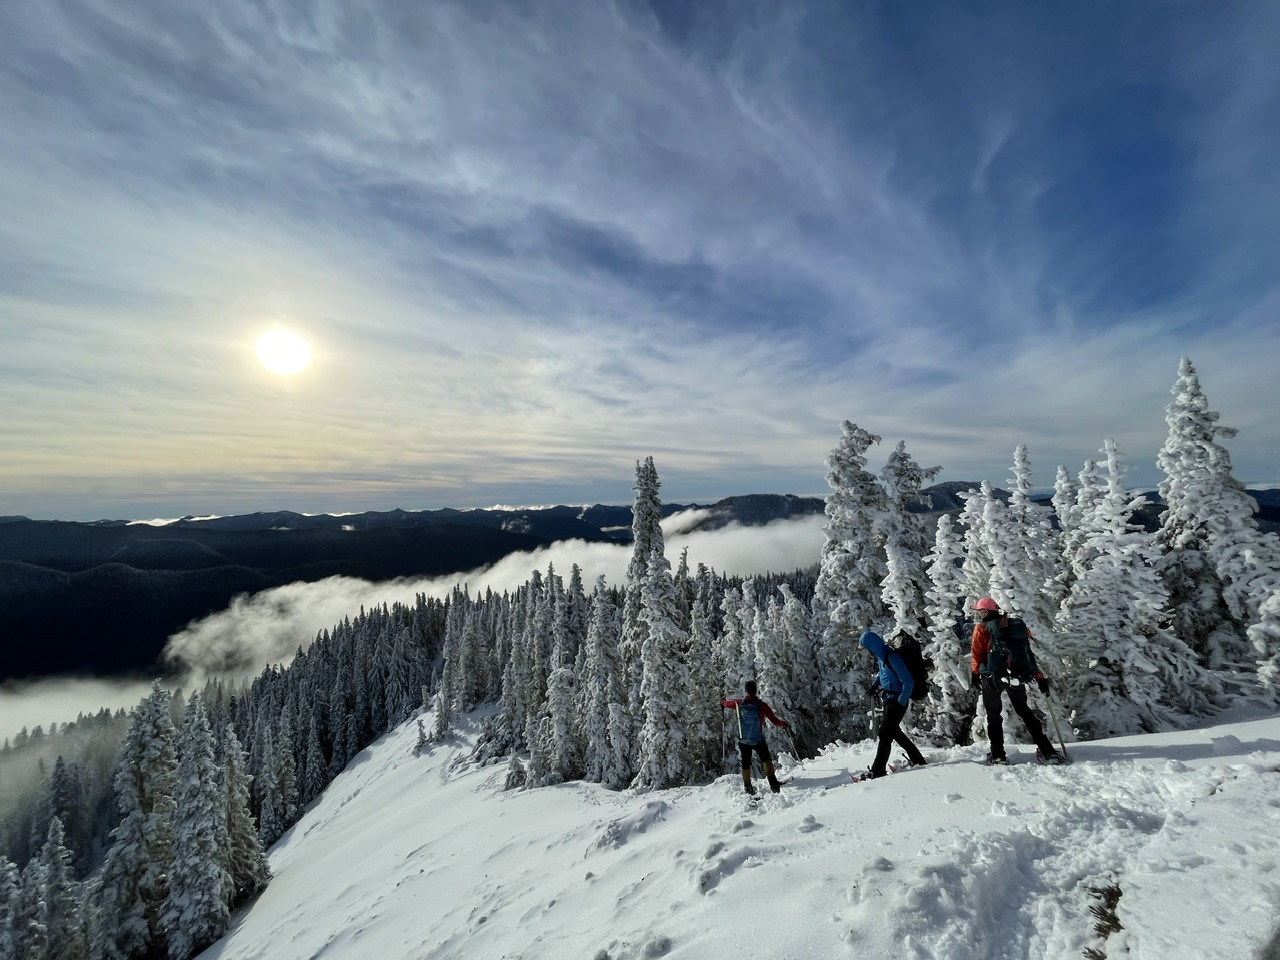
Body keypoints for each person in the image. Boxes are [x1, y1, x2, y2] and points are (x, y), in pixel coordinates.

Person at [970, 597, 1066, 765]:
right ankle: (1047, 751)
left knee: (993, 715)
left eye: (979, 611)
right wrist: (1039, 676)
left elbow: (977, 654)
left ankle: (998, 755)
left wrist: (975, 673)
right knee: (1024, 711)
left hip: (992, 677)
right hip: (1015, 675)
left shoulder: (981, 629)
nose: (979, 614)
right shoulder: (1014, 626)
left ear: (985, 611)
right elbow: (1027, 653)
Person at [858, 630, 928, 779]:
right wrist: (874, 686)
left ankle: (877, 771)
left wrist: (901, 701)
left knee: (885, 734)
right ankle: (918, 760)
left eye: (867, 648)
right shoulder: (882, 657)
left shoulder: (893, 657)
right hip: (888, 699)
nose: (867, 652)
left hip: (896, 700)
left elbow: (908, 681)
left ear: (872, 647)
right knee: (894, 732)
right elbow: (884, 674)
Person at [720, 680, 789, 795]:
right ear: (756, 691)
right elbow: (775, 721)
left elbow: (727, 704)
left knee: (745, 762)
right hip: (758, 740)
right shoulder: (762, 706)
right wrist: (784, 724)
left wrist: (722, 702)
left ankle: (748, 787)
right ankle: (774, 784)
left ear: (746, 690)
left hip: (744, 740)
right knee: (766, 759)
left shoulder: (738, 703)